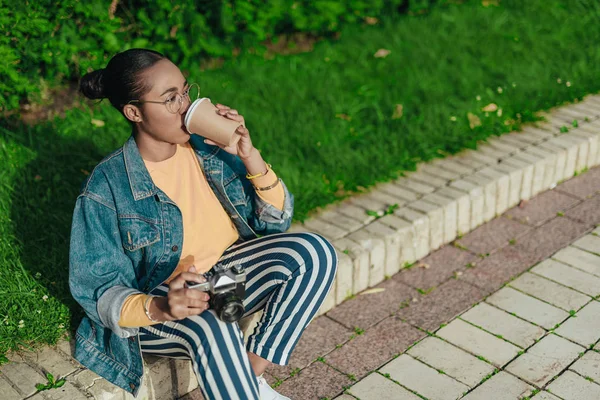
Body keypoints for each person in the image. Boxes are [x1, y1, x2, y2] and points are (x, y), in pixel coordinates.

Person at [69, 48, 338, 400]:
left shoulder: (207, 149)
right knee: (210, 322)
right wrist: (164, 307)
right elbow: (99, 291)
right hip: (161, 301)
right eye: (169, 99)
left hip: (225, 275)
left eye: (184, 91)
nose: (184, 105)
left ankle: (248, 379)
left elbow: (275, 222)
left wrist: (247, 153)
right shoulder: (107, 188)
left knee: (314, 253)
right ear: (134, 112)